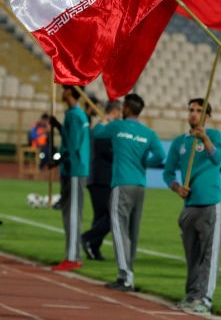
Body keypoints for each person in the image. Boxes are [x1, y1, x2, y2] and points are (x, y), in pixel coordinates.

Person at [92, 92, 166, 292]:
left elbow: (97, 133)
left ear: (125, 109)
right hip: (139, 185)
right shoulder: (148, 133)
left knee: (118, 228)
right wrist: (145, 164)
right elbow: (161, 155)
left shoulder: (117, 126)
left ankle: (125, 276)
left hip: (121, 184)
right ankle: (128, 272)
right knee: (132, 231)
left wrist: (105, 118)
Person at [163, 99, 221, 315]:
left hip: (210, 202)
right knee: (192, 255)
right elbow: (167, 172)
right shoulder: (179, 142)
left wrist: (205, 138)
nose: (194, 114)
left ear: (207, 116)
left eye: (199, 111)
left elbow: (217, 159)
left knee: (209, 254)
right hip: (189, 204)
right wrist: (176, 187)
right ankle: (191, 295)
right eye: (191, 110)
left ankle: (205, 299)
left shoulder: (215, 136)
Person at [53, 85, 91, 271]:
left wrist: (57, 159)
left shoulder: (75, 115)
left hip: (74, 169)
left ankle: (73, 256)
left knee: (73, 213)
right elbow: (70, 138)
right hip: (72, 168)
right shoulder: (75, 114)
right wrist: (59, 126)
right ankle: (72, 254)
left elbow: (73, 146)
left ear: (70, 92)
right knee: (69, 213)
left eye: (64, 88)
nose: (61, 91)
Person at [82, 98, 121, 261]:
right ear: (116, 111)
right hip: (102, 177)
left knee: (101, 216)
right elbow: (107, 153)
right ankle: (87, 237)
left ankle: (93, 248)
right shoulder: (104, 129)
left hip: (97, 177)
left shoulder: (99, 127)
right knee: (112, 215)